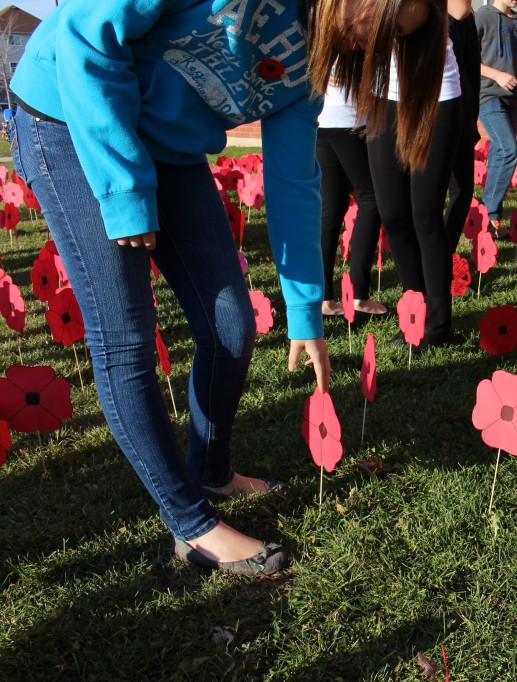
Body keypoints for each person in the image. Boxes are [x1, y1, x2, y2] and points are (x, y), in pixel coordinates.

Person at [6, 0, 434, 576]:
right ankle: (191, 523)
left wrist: (306, 310)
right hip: (70, 112)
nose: (367, 45)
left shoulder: (311, 63)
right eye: (391, 18)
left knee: (231, 322)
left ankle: (211, 469)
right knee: (126, 337)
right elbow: (88, 34)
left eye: (390, 42)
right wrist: (123, 186)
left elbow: (293, 183)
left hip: (167, 140)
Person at [367, 0, 467, 351]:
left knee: (425, 216)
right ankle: (414, 315)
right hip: (383, 95)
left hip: (435, 94)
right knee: (392, 216)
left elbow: (460, 8)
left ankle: (438, 324)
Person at [316, 83, 388, 320]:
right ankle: (359, 295)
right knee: (372, 199)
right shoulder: (355, 44)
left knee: (332, 207)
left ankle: (326, 298)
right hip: (350, 119)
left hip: (322, 118)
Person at [477, 0, 517, 238]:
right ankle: (487, 211)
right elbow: (467, 58)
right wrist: (497, 76)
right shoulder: (482, 17)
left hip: (512, 97)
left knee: (497, 154)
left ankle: (492, 219)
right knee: (508, 150)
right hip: (488, 95)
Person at [445, 0, 482, 254]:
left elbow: (471, 68)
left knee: (462, 189)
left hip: (459, 113)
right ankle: (423, 275)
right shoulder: (415, 10)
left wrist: (471, 117)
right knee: (428, 200)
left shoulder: (466, 18)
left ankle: (441, 258)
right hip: (424, 116)